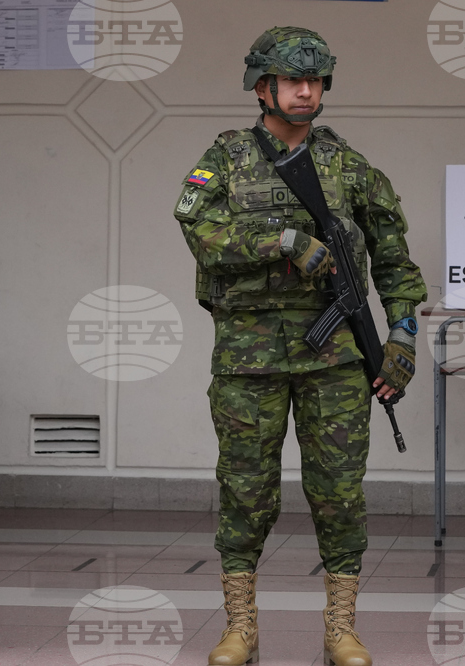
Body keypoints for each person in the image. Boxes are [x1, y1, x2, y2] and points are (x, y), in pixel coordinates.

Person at [174, 27, 427, 666]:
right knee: (246, 489)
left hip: (336, 358)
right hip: (248, 358)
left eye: (315, 81)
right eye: (293, 81)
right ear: (263, 87)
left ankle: (341, 628)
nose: (307, 91)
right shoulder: (227, 158)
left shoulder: (349, 166)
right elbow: (198, 228)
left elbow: (396, 261)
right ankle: (240, 628)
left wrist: (402, 335)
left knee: (339, 492)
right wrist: (283, 243)